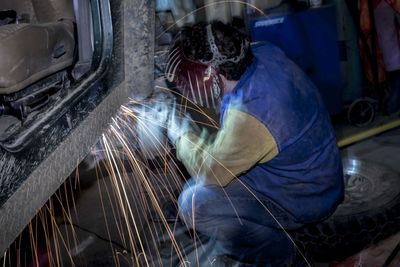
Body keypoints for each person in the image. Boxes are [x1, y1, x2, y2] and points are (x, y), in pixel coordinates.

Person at [165, 21, 344, 266]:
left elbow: (209, 172)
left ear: (210, 74)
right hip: (315, 171)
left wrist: (177, 128)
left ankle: (280, 255)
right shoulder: (260, 51)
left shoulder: (251, 116)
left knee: (194, 203)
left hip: (304, 197)